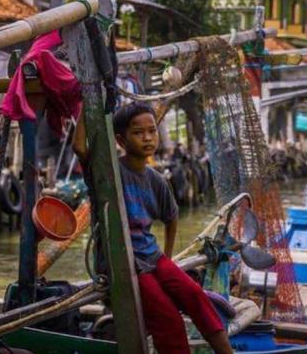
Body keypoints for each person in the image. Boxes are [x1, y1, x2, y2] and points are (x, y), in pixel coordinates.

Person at [73, 102, 233, 354]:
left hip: (152, 256)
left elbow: (171, 217)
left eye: (152, 131)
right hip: (122, 262)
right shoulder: (108, 171)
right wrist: (85, 100)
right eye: (138, 132)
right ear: (121, 140)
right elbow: (79, 147)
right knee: (168, 318)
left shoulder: (155, 180)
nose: (147, 138)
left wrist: (167, 257)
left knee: (196, 296)